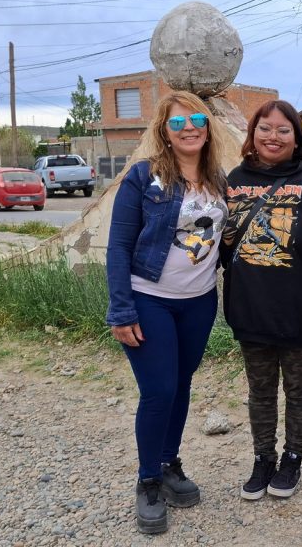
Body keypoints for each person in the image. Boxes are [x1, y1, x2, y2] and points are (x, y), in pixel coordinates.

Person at [105, 90, 230, 535]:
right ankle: (149, 480)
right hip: (148, 298)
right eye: (177, 123)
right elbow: (118, 246)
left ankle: (169, 460)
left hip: (198, 302)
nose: (189, 128)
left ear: (207, 123)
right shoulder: (144, 178)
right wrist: (121, 310)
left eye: (196, 118)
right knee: (158, 390)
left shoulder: (219, 180)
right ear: (164, 131)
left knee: (180, 385)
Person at [220, 100, 302, 502]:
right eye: (265, 128)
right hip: (251, 308)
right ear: (252, 134)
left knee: (300, 392)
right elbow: (220, 247)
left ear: (297, 138)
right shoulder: (234, 180)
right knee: (260, 391)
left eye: (284, 130)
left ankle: (293, 459)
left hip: (299, 311)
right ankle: (262, 458)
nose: (273, 136)